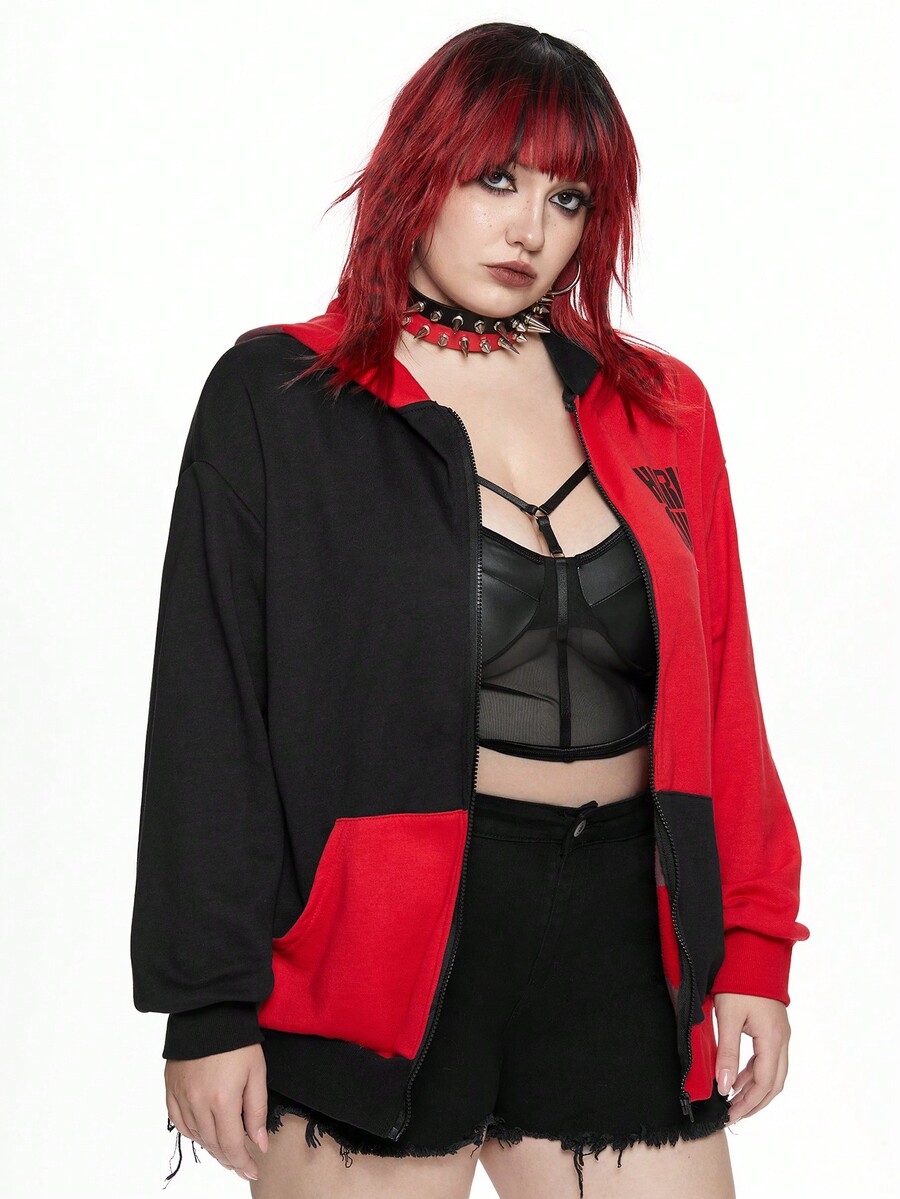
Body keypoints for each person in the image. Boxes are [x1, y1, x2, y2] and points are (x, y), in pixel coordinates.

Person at [130, 21, 810, 1199]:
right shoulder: (283, 398)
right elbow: (211, 708)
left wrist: (752, 942)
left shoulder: (661, 406)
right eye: (497, 178)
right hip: (380, 950)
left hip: (622, 940)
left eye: (567, 196)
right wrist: (207, 1005)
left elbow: (723, 684)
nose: (529, 228)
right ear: (420, 169)